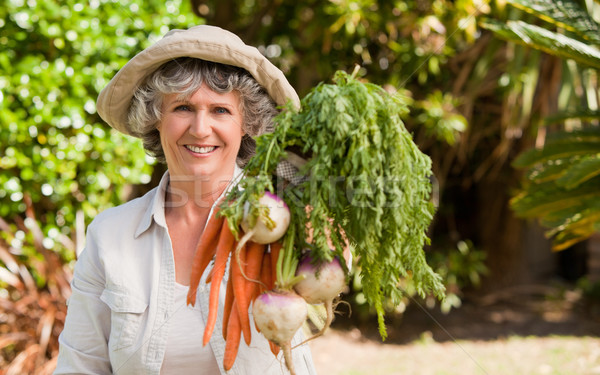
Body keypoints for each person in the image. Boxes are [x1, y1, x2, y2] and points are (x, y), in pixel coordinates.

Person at [54, 25, 316, 375]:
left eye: (221, 110)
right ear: (156, 119)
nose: (200, 128)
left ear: (247, 123)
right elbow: (80, 367)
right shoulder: (110, 235)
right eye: (182, 107)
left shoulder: (283, 223)